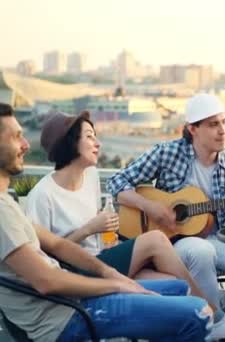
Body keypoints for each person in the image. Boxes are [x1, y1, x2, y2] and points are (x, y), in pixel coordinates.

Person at [0, 103, 211, 341]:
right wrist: (116, 285)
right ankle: (213, 313)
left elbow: (57, 245)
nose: (27, 144)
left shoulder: (8, 204)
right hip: (66, 317)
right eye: (16, 137)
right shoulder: (9, 210)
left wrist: (110, 273)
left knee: (179, 289)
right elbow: (47, 281)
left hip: (74, 297)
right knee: (198, 313)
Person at [106, 93, 225, 339]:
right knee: (199, 250)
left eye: (224, 123)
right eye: (213, 124)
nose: (222, 131)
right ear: (192, 129)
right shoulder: (166, 153)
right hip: (173, 241)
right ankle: (213, 319)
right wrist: (149, 206)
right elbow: (116, 182)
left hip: (221, 237)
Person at [26, 111, 208, 303]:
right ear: (68, 143)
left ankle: (192, 318)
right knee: (155, 240)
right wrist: (89, 229)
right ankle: (209, 310)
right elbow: (42, 260)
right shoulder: (42, 195)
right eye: (89, 137)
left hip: (101, 258)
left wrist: (107, 236)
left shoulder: (91, 176)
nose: (98, 144)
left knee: (171, 283)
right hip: (74, 273)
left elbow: (97, 228)